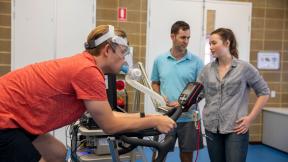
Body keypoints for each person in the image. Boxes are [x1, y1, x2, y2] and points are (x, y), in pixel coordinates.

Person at [0, 25, 176, 162]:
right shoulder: (88, 71)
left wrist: (148, 116)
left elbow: (110, 115)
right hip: (5, 121)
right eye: (123, 52)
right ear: (107, 50)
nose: (125, 58)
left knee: (58, 153)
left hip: (19, 119)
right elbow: (110, 125)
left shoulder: (86, 65)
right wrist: (153, 121)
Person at [197, 28, 270, 162]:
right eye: (210, 44)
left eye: (214, 43)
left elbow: (264, 92)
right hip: (211, 127)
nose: (211, 47)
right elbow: (197, 94)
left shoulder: (244, 68)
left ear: (227, 43)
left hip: (236, 128)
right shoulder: (206, 70)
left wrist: (250, 118)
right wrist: (180, 103)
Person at [151, 21, 204, 162]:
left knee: (186, 157)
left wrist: (183, 104)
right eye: (182, 37)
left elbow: (201, 91)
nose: (186, 41)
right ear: (172, 37)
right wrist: (159, 97)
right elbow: (155, 83)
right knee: (158, 155)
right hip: (164, 117)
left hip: (188, 118)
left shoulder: (197, 62)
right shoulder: (160, 60)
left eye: (188, 38)